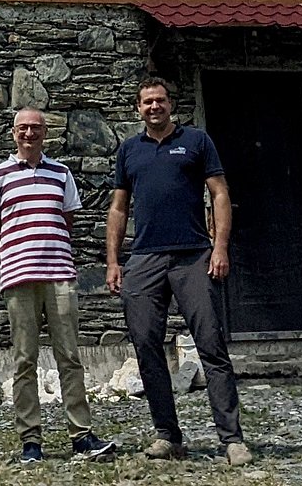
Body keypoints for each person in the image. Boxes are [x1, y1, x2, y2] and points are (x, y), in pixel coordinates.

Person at [105, 77, 250, 466]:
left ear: (171, 104)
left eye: (160, 100)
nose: (154, 107)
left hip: (193, 256)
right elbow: (118, 208)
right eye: (147, 102)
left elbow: (220, 193)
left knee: (211, 345)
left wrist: (220, 247)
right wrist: (114, 260)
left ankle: (232, 439)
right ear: (138, 108)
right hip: (144, 259)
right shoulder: (129, 150)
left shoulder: (197, 141)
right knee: (146, 347)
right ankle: (168, 436)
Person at [0, 107, 117, 465]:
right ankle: (31, 442)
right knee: (24, 360)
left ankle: (81, 436)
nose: (29, 134)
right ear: (13, 133)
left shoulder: (62, 173)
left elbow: (66, 220)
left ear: (45, 133)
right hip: (19, 278)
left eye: (36, 128)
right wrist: (17, 255)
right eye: (23, 128)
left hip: (59, 276)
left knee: (69, 357)